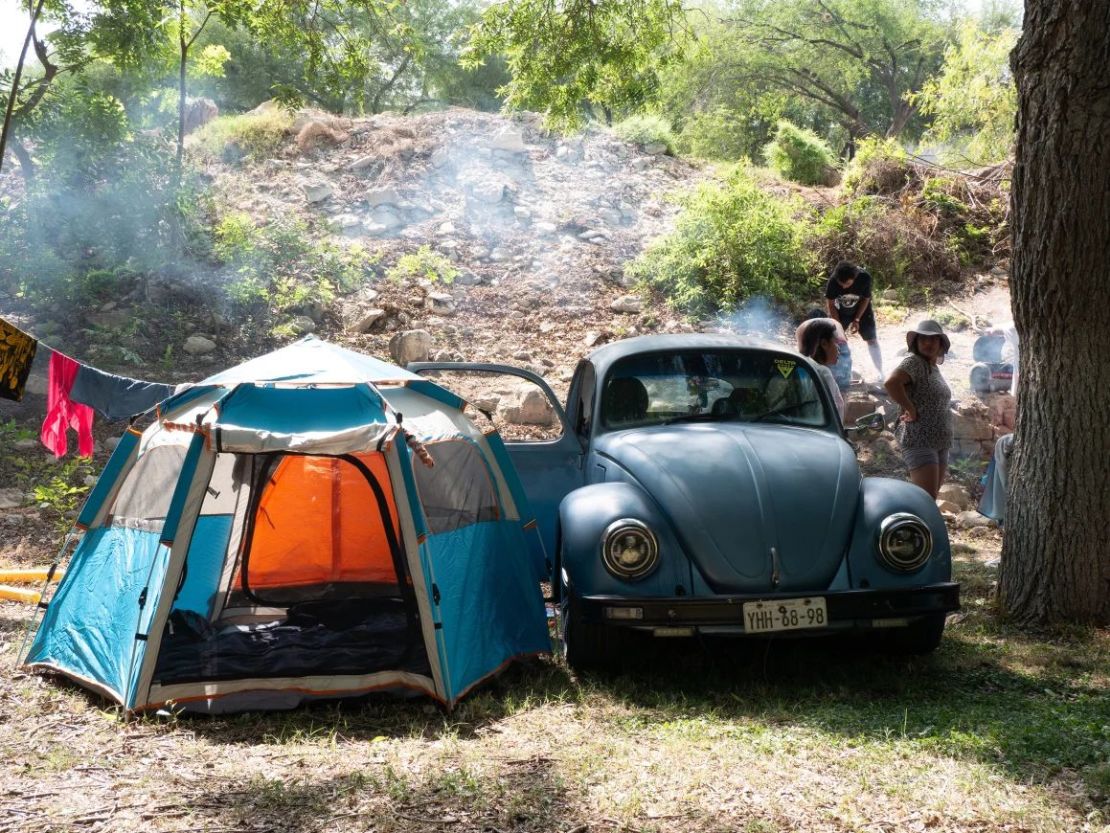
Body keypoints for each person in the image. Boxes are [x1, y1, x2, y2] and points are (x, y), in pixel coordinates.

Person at [884, 320, 953, 499]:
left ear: (940, 344)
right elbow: (892, 383)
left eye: (934, 339)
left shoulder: (932, 367)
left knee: (930, 498)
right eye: (923, 339)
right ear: (916, 342)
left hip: (939, 441)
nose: (928, 343)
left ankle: (926, 527)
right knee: (925, 499)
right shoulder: (914, 361)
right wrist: (910, 408)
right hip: (920, 438)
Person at [825, 261, 884, 380]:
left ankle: (880, 372)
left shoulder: (864, 277)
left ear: (855, 277)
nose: (843, 287)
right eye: (840, 284)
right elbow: (831, 305)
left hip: (863, 311)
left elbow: (866, 299)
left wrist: (857, 319)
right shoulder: (833, 281)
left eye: (846, 284)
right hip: (841, 312)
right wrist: (838, 327)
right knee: (835, 340)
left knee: (872, 340)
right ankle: (837, 374)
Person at [795, 317, 845, 418]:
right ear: (824, 344)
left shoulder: (801, 366)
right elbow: (827, 414)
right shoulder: (823, 373)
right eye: (835, 342)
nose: (839, 348)